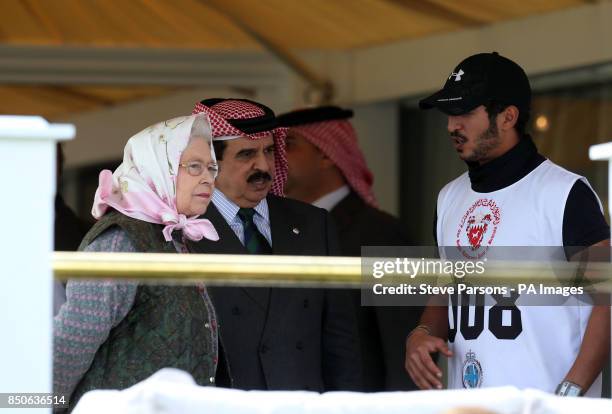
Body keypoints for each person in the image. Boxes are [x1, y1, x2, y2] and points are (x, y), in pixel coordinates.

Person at [405, 52, 610, 396]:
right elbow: (447, 289)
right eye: (449, 114)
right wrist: (421, 334)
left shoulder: (563, 193)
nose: (452, 126)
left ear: (508, 116)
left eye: (465, 113)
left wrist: (570, 392)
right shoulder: (448, 198)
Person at [53, 114, 228, 409]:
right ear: (157, 168)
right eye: (194, 167)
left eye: (212, 167)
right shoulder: (121, 241)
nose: (207, 178)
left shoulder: (174, 238)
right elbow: (70, 344)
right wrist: (28, 405)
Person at [189, 98, 362, 392]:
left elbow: (341, 340)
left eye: (269, 151)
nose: (264, 166)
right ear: (210, 163)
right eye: (246, 154)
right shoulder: (183, 229)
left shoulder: (314, 224)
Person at [277, 105, 420, 391]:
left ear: (327, 154)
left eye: (289, 145)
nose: (278, 158)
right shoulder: (283, 229)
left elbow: (403, 342)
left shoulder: (382, 232)